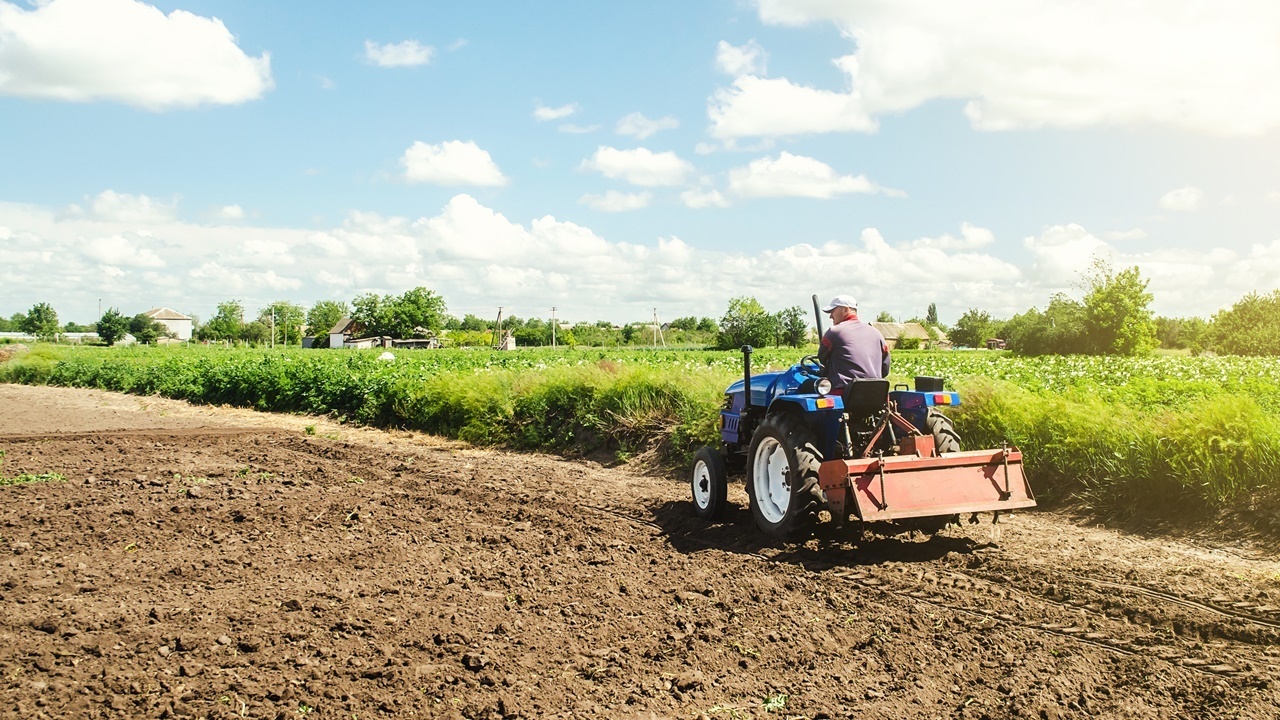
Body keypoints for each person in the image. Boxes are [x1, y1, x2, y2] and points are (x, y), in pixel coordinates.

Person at [816, 295, 890, 391]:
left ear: (845, 310)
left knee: (807, 385)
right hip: (876, 393)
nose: (830, 316)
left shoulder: (834, 332)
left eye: (833, 311)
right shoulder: (876, 333)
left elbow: (822, 357)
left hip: (844, 393)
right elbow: (885, 368)